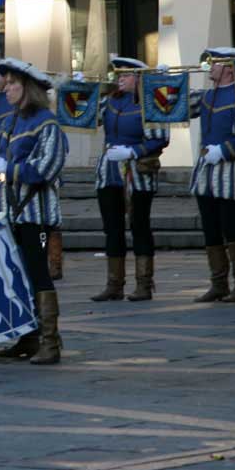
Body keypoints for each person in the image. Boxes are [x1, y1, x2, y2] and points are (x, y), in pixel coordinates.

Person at [0, 58, 67, 364]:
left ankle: (50, 342)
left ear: (28, 88)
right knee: (18, 273)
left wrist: (10, 169)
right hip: (10, 213)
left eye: (12, 84)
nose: (6, 89)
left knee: (38, 273)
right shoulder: (9, 122)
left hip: (36, 215)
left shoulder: (47, 123)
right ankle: (28, 337)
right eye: (6, 83)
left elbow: (47, 167)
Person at [91, 55, 169, 302]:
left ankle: (144, 284)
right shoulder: (109, 101)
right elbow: (86, 116)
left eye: (125, 75)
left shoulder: (151, 102)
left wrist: (133, 152)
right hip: (109, 171)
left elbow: (161, 138)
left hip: (138, 172)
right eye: (118, 75)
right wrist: (80, 90)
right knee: (112, 228)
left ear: (138, 78)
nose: (120, 79)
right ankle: (114, 284)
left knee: (140, 226)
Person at [190, 47, 235, 303]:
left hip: (228, 170)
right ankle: (218, 283)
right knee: (210, 228)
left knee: (229, 227)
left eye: (216, 62)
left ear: (230, 68)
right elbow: (174, 106)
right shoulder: (207, 95)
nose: (209, 65)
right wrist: (158, 81)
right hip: (206, 172)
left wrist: (223, 150)